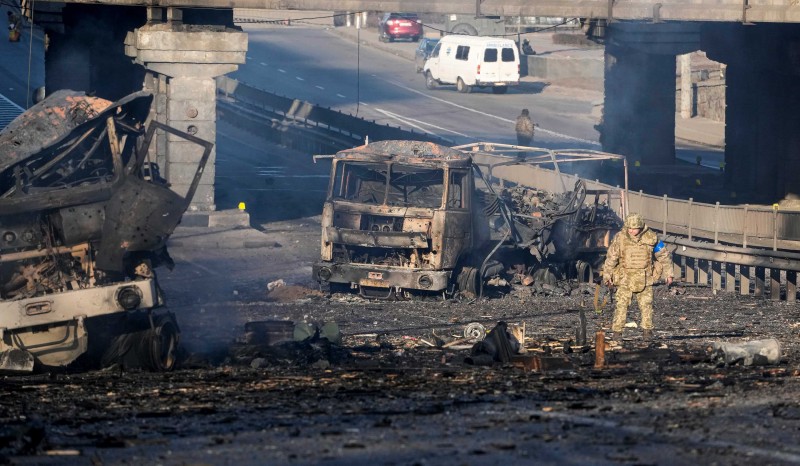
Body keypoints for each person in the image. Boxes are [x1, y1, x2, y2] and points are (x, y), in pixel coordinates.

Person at [602, 213, 673, 339]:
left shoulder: (651, 238)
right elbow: (611, 258)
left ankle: (647, 332)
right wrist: (607, 275)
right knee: (621, 306)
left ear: (640, 227)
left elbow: (663, 256)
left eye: (634, 228)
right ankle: (617, 333)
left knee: (646, 306)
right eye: (629, 228)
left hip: (645, 278)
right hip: (625, 278)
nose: (631, 231)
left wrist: (669, 274)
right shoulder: (620, 238)